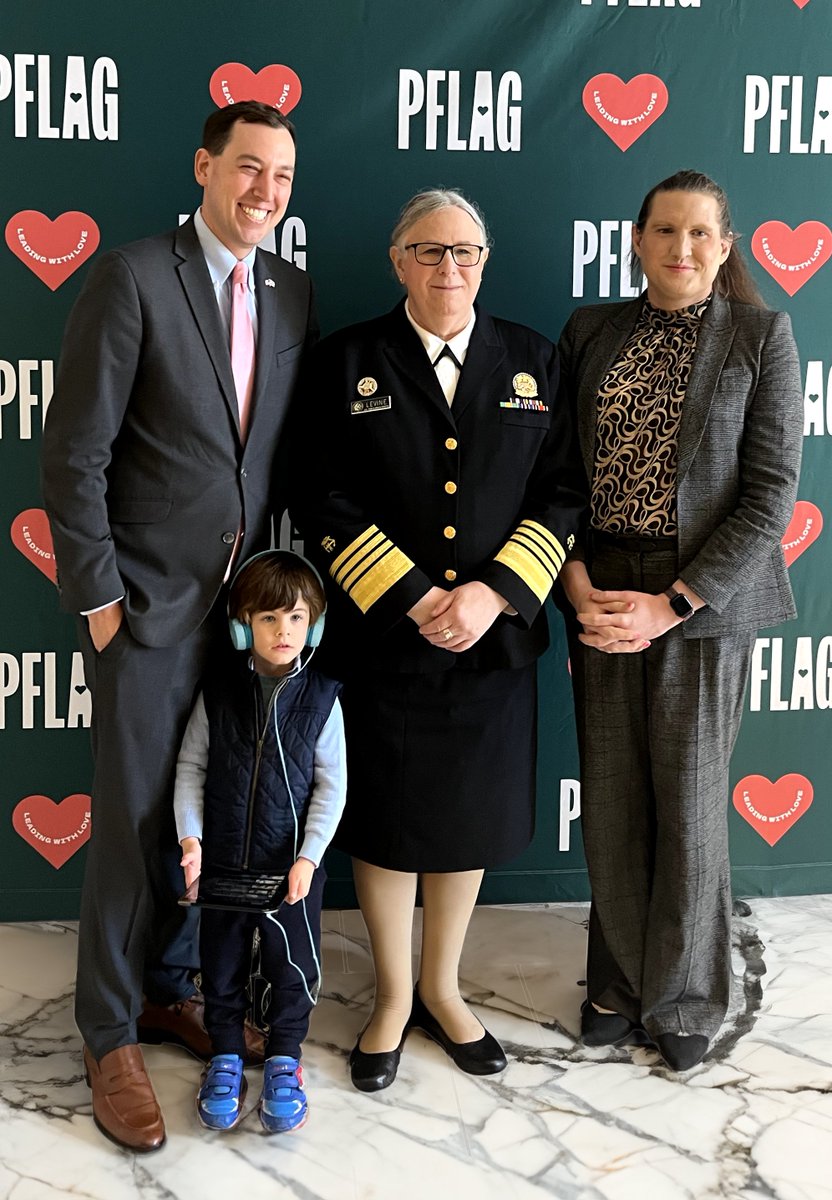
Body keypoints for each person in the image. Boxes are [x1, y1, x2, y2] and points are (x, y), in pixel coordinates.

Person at [40, 100, 317, 1151]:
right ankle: (107, 1031)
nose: (265, 192)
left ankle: (167, 988)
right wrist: (102, 602)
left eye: (283, 177)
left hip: (245, 617)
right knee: (131, 827)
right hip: (146, 611)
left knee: (210, 825)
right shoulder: (132, 275)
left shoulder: (290, 292)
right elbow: (77, 454)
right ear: (205, 167)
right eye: (249, 169)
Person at [293, 188, 585, 1091]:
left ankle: (443, 989)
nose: (448, 268)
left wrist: (495, 595)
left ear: (484, 262)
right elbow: (319, 496)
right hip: (384, 640)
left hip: (494, 643)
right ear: (397, 261)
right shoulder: (346, 360)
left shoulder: (533, 358)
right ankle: (389, 996)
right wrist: (417, 597)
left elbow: (564, 493)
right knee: (387, 821)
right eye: (428, 252)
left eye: (463, 252)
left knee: (464, 821)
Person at [557, 169, 803, 1072]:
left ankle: (689, 996)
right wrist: (575, 581)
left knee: (692, 804)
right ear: (637, 240)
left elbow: (771, 494)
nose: (682, 249)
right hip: (603, 589)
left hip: (697, 599)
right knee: (613, 797)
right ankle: (619, 985)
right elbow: (559, 477)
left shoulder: (760, 336)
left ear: (726, 245)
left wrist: (674, 603)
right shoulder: (591, 331)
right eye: (665, 231)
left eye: (701, 234)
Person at [174, 550, 345, 1133]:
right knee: (219, 964)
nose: (284, 632)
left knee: (291, 966)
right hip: (222, 865)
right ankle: (225, 1053)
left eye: (297, 618)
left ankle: (283, 1058)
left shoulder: (322, 698)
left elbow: (331, 789)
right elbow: (191, 769)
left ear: (314, 626)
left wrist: (308, 857)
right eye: (269, 619)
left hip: (289, 871)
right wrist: (191, 841)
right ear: (243, 624)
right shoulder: (218, 692)